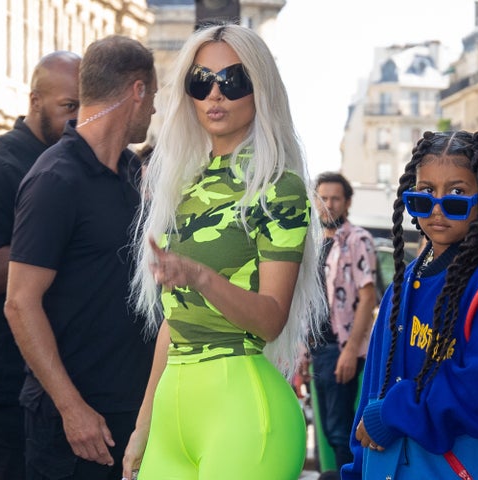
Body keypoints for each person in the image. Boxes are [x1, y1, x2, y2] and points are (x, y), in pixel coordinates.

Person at [121, 24, 326, 480]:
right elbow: (175, 324)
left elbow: (272, 318)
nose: (215, 95)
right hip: (175, 410)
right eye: (201, 81)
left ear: (261, 90)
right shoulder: (182, 185)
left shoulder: (278, 187)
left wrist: (200, 277)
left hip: (245, 413)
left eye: (233, 81)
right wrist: (142, 426)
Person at [341, 130, 478, 479]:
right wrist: (356, 470)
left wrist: (395, 413)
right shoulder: (404, 284)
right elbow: (373, 394)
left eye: (457, 193)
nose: (438, 207)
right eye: (426, 192)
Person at [3, 36, 157, 480]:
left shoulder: (131, 175)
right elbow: (19, 302)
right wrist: (73, 410)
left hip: (129, 418)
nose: (153, 112)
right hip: (72, 429)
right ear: (137, 91)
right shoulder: (56, 177)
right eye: (154, 97)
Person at [0, 50, 81, 479]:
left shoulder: (80, 165)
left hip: (63, 380)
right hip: (4, 384)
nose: (78, 118)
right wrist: (58, 242)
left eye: (86, 105)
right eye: (69, 106)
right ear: (34, 101)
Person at [305, 172, 377, 480]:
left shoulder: (358, 240)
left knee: (340, 430)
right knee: (327, 427)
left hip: (340, 347)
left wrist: (350, 350)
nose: (329, 205)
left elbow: (367, 296)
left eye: (335, 198)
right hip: (317, 349)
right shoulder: (314, 243)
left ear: (346, 202)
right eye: (323, 198)